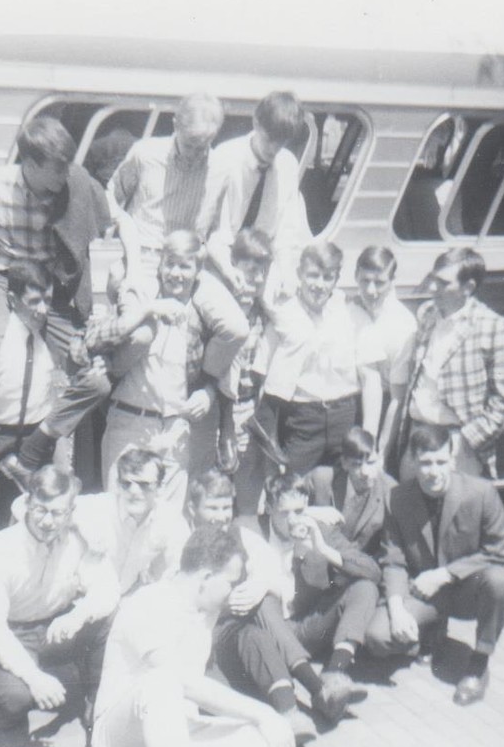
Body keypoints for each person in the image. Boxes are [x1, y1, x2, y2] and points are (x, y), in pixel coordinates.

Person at [91, 525, 295, 747]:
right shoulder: (147, 604)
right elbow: (182, 682)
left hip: (169, 745)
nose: (234, 589)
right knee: (163, 681)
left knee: (272, 738)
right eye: (230, 581)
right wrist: (262, 710)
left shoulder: (204, 609)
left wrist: (267, 720)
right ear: (204, 578)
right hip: (119, 745)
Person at [0, 260, 107, 576]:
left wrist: (90, 365)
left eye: (47, 300)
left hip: (34, 444)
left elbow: (86, 379)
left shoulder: (49, 337)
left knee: (33, 529)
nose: (41, 310)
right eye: (33, 301)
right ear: (13, 300)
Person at [187, 470, 367, 734]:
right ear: (193, 509)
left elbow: (274, 577)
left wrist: (259, 585)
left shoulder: (239, 535)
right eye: (212, 508)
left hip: (235, 633)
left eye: (226, 508)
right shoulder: (180, 540)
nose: (221, 516)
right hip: (199, 639)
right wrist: (222, 602)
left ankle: (291, 713)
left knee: (258, 623)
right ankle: (317, 688)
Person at [86, 230, 248, 500]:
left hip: (174, 430)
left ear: (198, 272)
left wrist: (208, 392)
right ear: (160, 266)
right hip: (130, 422)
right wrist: (148, 310)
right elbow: (94, 338)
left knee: (168, 518)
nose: (176, 274)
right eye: (170, 264)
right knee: (120, 509)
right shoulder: (142, 300)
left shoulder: (204, 317)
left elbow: (233, 343)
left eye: (185, 267)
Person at [364, 424, 504, 706]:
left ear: (452, 459)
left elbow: (498, 550)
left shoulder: (481, 492)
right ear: (413, 461)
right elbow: (393, 560)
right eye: (425, 463)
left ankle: (479, 663)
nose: (433, 471)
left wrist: (445, 574)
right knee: (378, 637)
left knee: (499, 582)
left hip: (467, 589)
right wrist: (397, 611)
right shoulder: (397, 498)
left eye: (440, 462)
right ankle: (431, 630)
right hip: (424, 593)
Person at [0, 466, 120, 747]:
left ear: (70, 512)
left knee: (109, 618)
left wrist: (78, 615)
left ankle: (95, 698)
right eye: (40, 510)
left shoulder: (79, 539)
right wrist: (34, 678)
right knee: (14, 700)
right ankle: (6, 701)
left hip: (55, 627)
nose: (48, 522)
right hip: (13, 633)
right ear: (27, 503)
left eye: (57, 513)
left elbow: (108, 589)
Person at [0, 116, 110, 332]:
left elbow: (121, 221)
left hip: (50, 286)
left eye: (68, 166)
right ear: (31, 164)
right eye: (58, 169)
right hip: (2, 280)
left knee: (77, 349)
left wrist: (134, 271)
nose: (67, 174)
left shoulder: (75, 185)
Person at [250, 241, 385, 475]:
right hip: (302, 420)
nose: (320, 285)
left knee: (346, 486)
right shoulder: (283, 317)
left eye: (328, 277)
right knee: (291, 485)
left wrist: (369, 437)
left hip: (345, 418)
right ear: (299, 274)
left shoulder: (353, 316)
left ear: (337, 278)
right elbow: (262, 376)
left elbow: (371, 379)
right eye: (313, 275)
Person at [394, 247, 504, 479]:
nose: (432, 288)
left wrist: (469, 439)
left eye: (443, 283)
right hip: (417, 437)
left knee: (456, 503)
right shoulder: (427, 315)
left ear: (468, 288)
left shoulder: (493, 326)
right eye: (433, 279)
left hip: (457, 445)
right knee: (408, 501)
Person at [257, 472, 381, 686]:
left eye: (299, 511)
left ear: (307, 505)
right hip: (271, 631)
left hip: (308, 627)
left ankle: (335, 672)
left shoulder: (319, 530)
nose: (294, 520)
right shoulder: (254, 531)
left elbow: (372, 571)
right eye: (284, 513)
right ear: (268, 508)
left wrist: (323, 549)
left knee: (365, 587)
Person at [106, 93, 226, 292]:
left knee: (225, 311)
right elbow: (110, 196)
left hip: (191, 265)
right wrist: (123, 222)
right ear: (175, 125)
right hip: (144, 259)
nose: (193, 155)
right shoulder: (145, 154)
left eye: (201, 148)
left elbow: (217, 231)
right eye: (189, 145)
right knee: (130, 294)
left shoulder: (220, 170)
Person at [200, 91, 309, 300]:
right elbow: (213, 232)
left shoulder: (288, 165)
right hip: (221, 259)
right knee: (228, 317)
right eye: (269, 139)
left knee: (291, 315)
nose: (274, 149)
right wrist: (228, 270)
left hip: (263, 264)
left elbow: (287, 231)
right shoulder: (225, 157)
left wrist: (286, 273)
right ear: (256, 123)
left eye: (281, 142)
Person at [211, 228, 274, 515]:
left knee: (248, 493)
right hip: (216, 411)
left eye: (262, 272)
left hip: (249, 409)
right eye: (250, 271)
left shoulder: (265, 315)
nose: (257, 279)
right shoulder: (218, 309)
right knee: (215, 490)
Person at [72, 446, 188, 598]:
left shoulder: (169, 519)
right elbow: (54, 505)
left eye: (144, 485)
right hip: (78, 597)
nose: (134, 491)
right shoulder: (99, 507)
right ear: (118, 484)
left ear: (160, 487)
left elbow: (182, 567)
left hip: (125, 600)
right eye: (126, 484)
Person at [351, 247, 417, 453]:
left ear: (392, 281)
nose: (371, 290)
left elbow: (398, 397)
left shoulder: (403, 324)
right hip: (350, 402)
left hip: (387, 408)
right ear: (355, 276)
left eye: (379, 283)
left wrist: (382, 450)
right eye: (365, 281)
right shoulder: (348, 309)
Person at [307, 426, 397, 558]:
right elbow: (285, 506)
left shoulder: (391, 490)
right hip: (321, 559)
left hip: (363, 565)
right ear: (344, 463)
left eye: (371, 462)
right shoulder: (321, 479)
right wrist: (311, 512)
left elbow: (391, 550)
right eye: (357, 464)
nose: (365, 472)